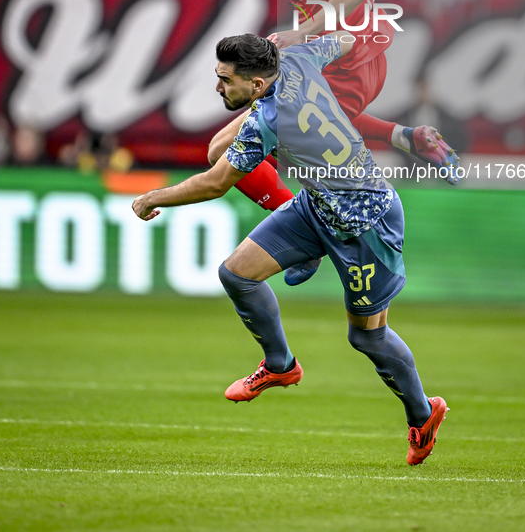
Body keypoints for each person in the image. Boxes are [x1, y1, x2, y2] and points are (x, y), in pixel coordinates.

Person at [132, 33, 449, 465]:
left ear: (258, 85)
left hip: (365, 223)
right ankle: (280, 364)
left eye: (226, 81)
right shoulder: (298, 58)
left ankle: (422, 414)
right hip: (315, 205)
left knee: (367, 337)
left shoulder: (266, 118)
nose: (219, 88)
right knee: (237, 273)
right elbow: (344, 39)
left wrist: (152, 198)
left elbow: (215, 182)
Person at [209, 0, 459, 288]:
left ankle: (305, 240)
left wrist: (303, 31)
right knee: (306, 137)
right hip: (362, 62)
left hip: (338, 62)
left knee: (227, 149)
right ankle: (410, 138)